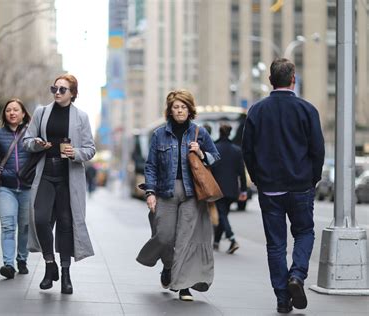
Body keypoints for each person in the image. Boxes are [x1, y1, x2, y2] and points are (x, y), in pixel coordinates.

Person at [242, 58, 325, 314]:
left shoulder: (257, 111)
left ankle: (282, 298)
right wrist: (313, 179)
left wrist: (257, 178)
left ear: (270, 80)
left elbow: (247, 150)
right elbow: (317, 150)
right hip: (300, 186)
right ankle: (297, 276)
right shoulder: (307, 110)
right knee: (304, 232)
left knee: (276, 245)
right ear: (293, 79)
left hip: (270, 189)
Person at [136, 89, 220, 301]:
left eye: (183, 107)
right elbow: (151, 166)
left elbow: (215, 157)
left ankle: (183, 286)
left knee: (185, 241)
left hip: (192, 194)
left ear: (190, 109)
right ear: (170, 111)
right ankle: (167, 266)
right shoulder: (159, 135)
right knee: (164, 236)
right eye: (176, 107)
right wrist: (150, 192)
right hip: (166, 193)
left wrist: (201, 153)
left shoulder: (199, 133)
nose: (180, 110)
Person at [23, 74, 95, 294]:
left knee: (65, 223)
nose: (57, 92)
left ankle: (65, 274)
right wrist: (36, 143)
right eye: (54, 87)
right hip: (45, 173)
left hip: (68, 176)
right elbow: (27, 140)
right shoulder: (41, 112)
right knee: (41, 218)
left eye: (63, 89)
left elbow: (90, 149)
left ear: (72, 93)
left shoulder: (81, 117)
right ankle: (49, 264)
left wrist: (76, 153)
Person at [0, 98, 32, 279]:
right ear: (5, 114)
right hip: (6, 189)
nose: (12, 113)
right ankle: (8, 265)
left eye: (15, 110)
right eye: (8, 110)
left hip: (27, 188)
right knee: (8, 226)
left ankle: (22, 259)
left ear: (23, 114)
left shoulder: (31, 134)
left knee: (25, 227)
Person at [211, 123, 247, 254]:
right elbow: (241, 172)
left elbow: (210, 169)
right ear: (230, 133)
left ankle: (232, 239)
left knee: (222, 214)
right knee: (223, 214)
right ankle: (216, 242)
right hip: (232, 190)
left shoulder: (214, 148)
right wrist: (243, 190)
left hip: (217, 188)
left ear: (220, 132)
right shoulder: (237, 150)